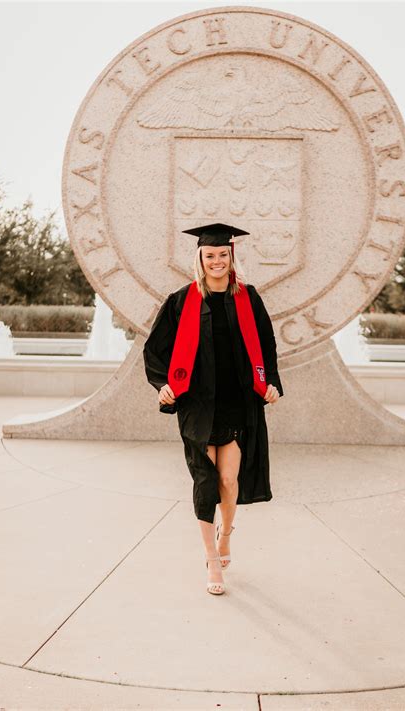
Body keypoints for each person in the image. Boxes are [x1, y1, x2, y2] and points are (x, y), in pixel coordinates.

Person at [143, 222, 283, 595]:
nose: (217, 261)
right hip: (197, 404)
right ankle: (211, 559)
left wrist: (271, 383)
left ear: (231, 256)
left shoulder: (249, 298)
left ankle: (226, 537)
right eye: (210, 256)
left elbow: (266, 346)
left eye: (223, 254)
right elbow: (154, 350)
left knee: (228, 480)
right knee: (206, 481)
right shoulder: (180, 300)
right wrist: (163, 386)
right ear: (200, 259)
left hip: (237, 402)